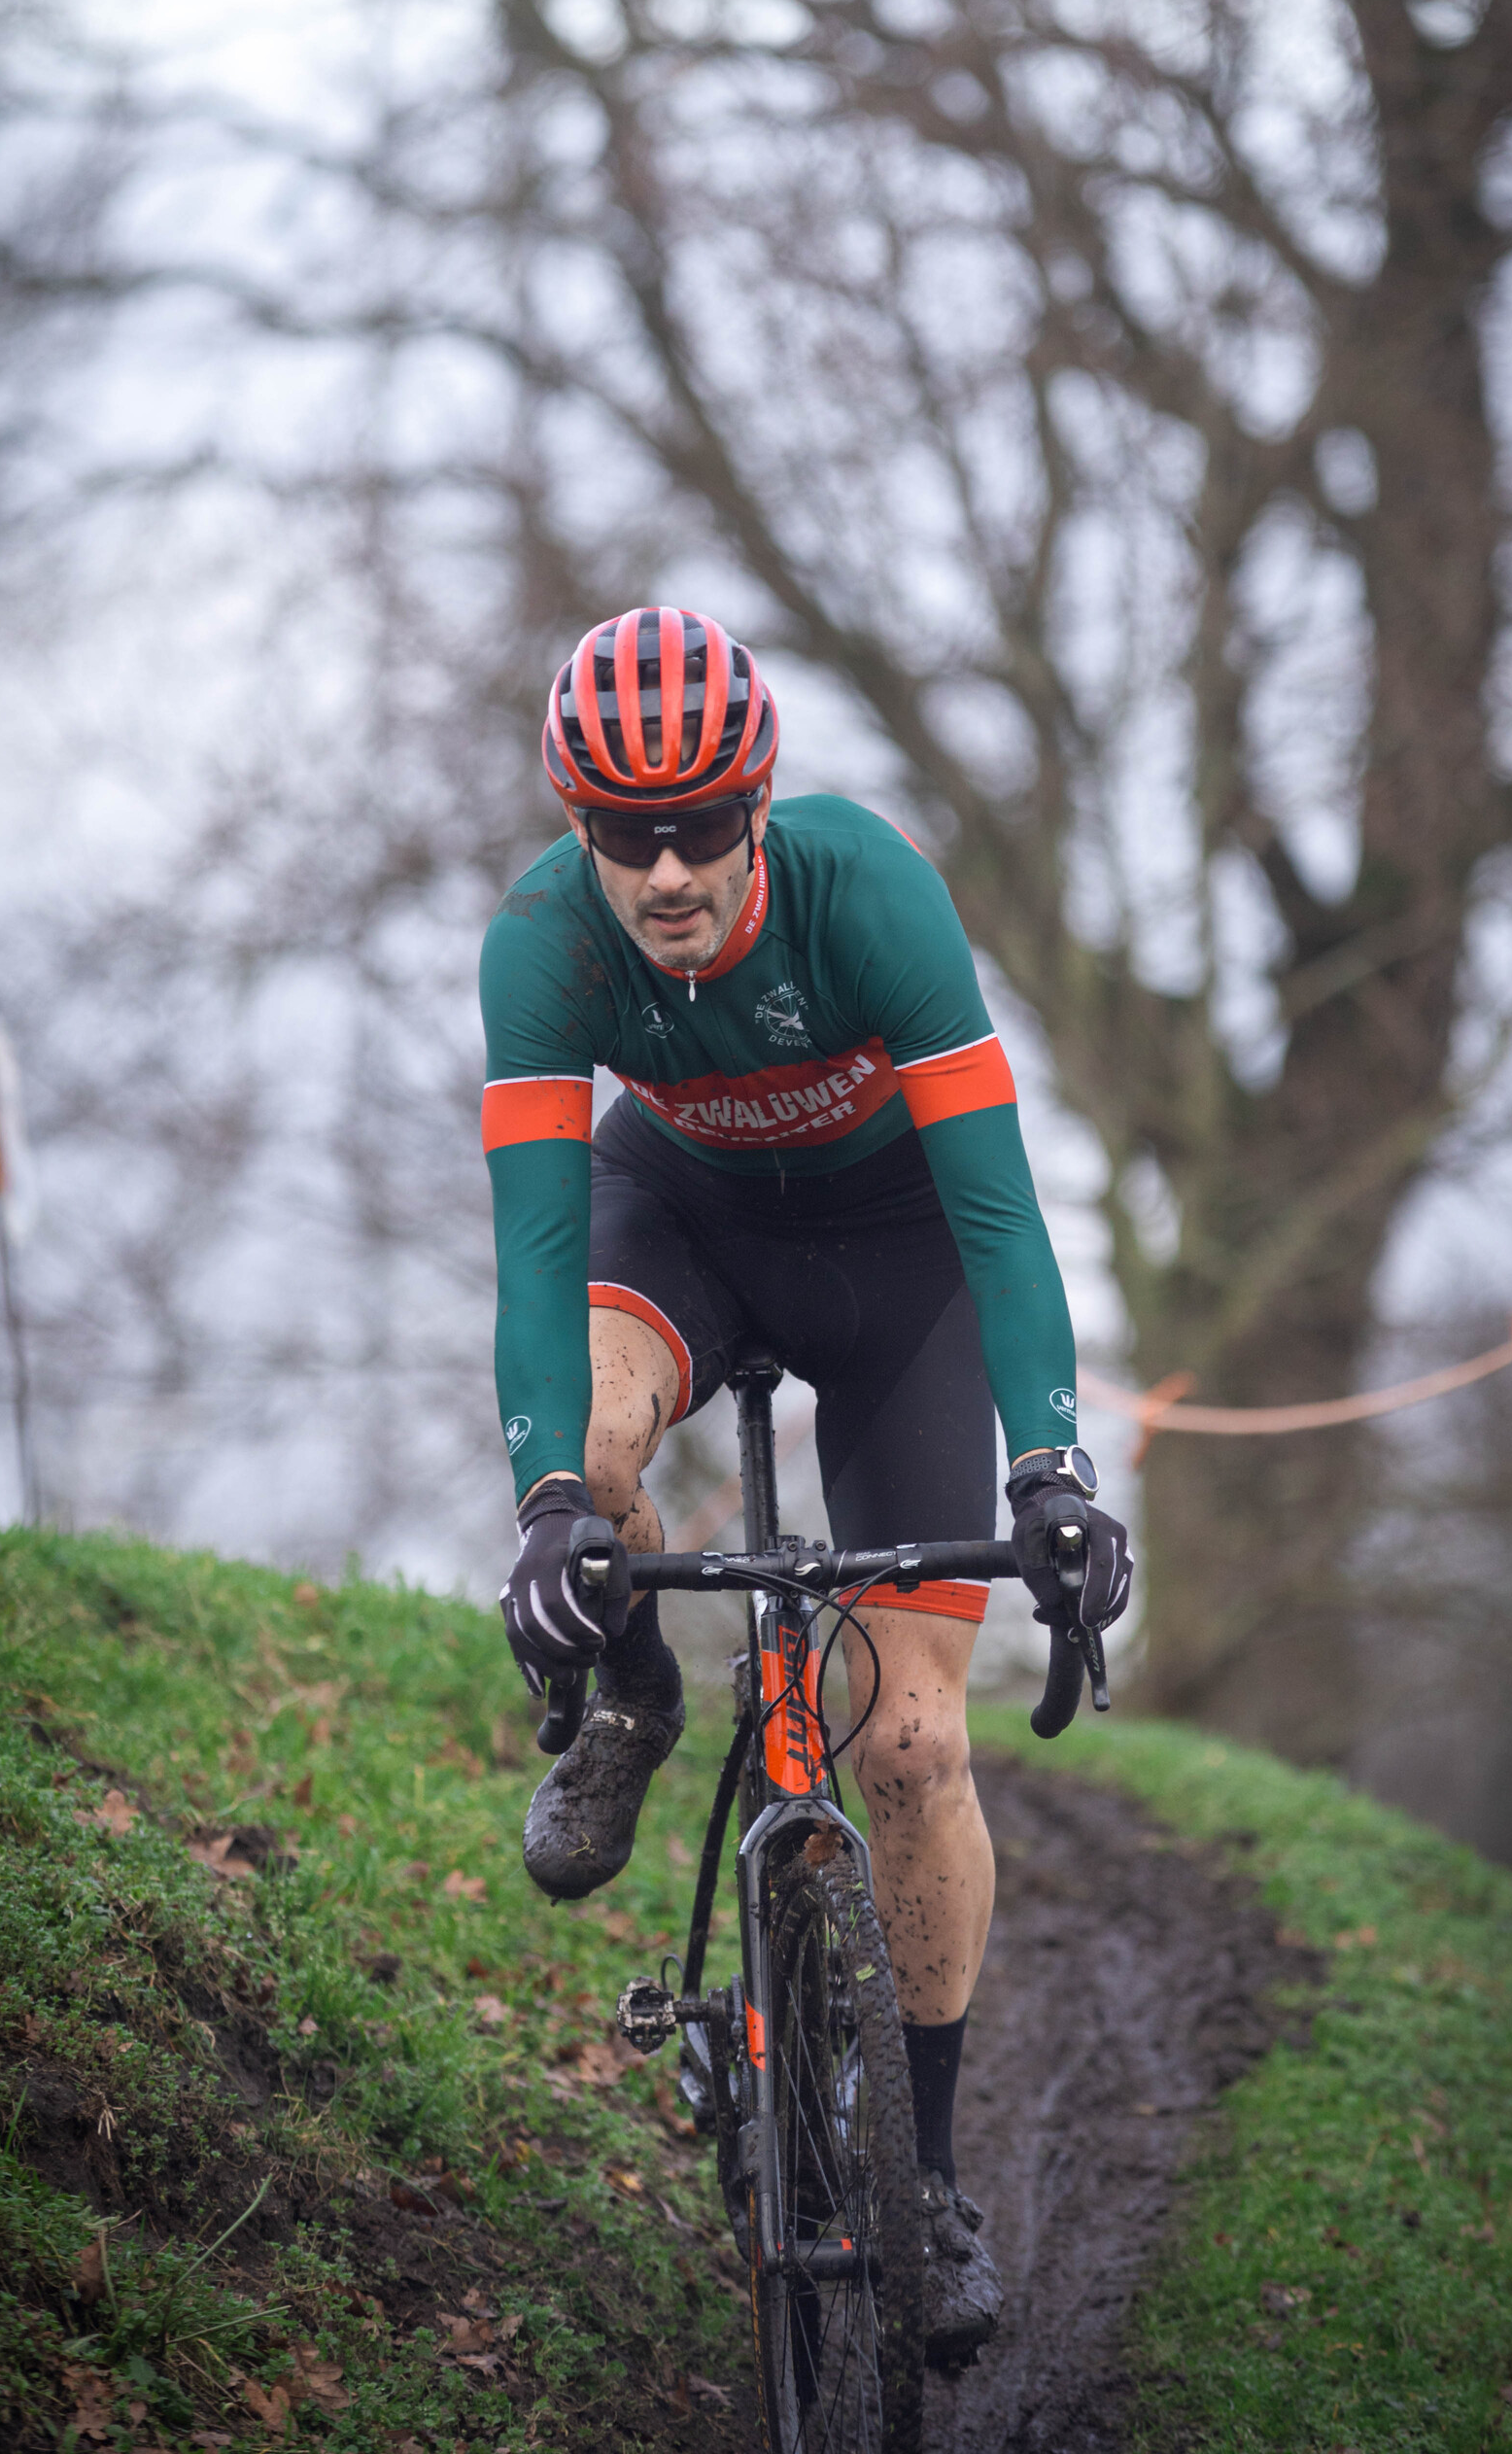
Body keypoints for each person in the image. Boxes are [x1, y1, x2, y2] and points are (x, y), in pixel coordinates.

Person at [479, 605, 1132, 2366]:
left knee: (911, 1744)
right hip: (680, 1226)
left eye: (703, 821)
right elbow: (537, 1261)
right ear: (580, 827)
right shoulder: (543, 943)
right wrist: (555, 1502)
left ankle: (925, 2180)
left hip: (894, 1251)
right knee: (594, 1445)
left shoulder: (873, 893)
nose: (671, 867)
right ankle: (629, 1698)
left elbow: (998, 1208)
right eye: (628, 832)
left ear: (759, 804)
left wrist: (1054, 1465)